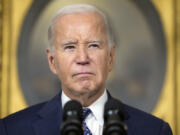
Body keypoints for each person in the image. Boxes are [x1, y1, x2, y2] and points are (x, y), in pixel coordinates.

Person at [1, 4, 172, 135]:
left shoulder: (154, 130)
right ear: (52, 61)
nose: (82, 58)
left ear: (110, 58)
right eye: (70, 47)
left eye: (93, 45)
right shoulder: (11, 129)